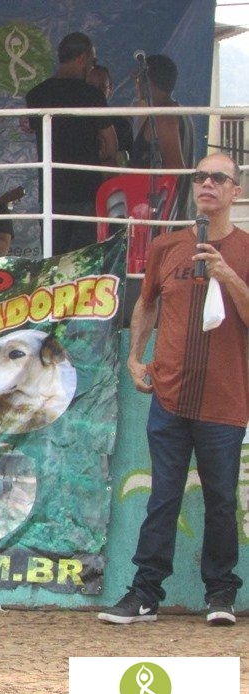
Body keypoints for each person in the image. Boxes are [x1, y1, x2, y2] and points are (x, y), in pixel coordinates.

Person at [98, 152, 248, 627]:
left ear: (235, 191)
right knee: (162, 496)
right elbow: (146, 304)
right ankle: (145, 594)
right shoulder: (167, 246)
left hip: (224, 398)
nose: (207, 184)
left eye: (218, 178)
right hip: (169, 394)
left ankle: (220, 594)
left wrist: (228, 275)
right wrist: (135, 356)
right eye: (200, 176)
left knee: (220, 499)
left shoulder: (246, 249)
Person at [24, 31, 118, 255]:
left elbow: (31, 128)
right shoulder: (93, 95)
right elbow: (111, 143)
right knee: (84, 261)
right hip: (87, 191)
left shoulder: (36, 94)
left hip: (51, 191)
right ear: (83, 58)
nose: (92, 67)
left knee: (52, 260)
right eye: (93, 61)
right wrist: (105, 159)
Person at [130, 54, 195, 220]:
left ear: (147, 82)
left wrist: (159, 214)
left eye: (138, 79)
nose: (136, 85)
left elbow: (175, 169)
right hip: (166, 213)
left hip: (161, 216)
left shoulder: (163, 117)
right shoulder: (177, 111)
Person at [86, 64, 133, 167]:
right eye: (91, 87)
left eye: (101, 87)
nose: (96, 93)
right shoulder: (73, 121)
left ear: (110, 90)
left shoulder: (122, 125)